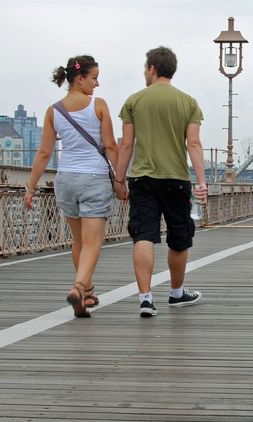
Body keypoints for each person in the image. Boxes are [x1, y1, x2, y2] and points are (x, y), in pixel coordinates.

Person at [114, 46, 207, 318]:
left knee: (143, 235)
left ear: (153, 68)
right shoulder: (189, 102)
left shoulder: (134, 101)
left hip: (142, 178)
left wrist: (119, 180)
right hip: (177, 179)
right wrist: (201, 182)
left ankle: (145, 298)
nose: (144, 72)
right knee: (179, 237)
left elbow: (127, 145)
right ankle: (177, 294)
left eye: (146, 68)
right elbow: (194, 144)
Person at [24, 55, 118, 318]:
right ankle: (78, 287)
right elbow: (110, 146)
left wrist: (30, 187)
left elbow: (44, 153)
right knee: (93, 242)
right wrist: (122, 179)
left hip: (65, 179)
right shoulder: (98, 105)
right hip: (94, 179)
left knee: (78, 240)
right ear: (80, 79)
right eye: (94, 78)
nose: (97, 84)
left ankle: (87, 293)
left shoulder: (53, 110)